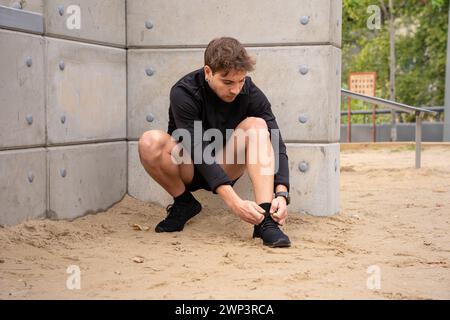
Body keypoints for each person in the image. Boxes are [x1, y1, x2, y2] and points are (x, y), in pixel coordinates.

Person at [138, 37, 291, 248]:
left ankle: (265, 221)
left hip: (225, 163)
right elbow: (195, 148)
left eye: (241, 81)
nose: (236, 89)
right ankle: (184, 203)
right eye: (228, 82)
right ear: (208, 72)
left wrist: (281, 193)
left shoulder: (249, 92)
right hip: (189, 165)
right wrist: (235, 203)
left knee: (257, 125)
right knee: (149, 142)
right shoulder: (184, 91)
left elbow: (276, 141)